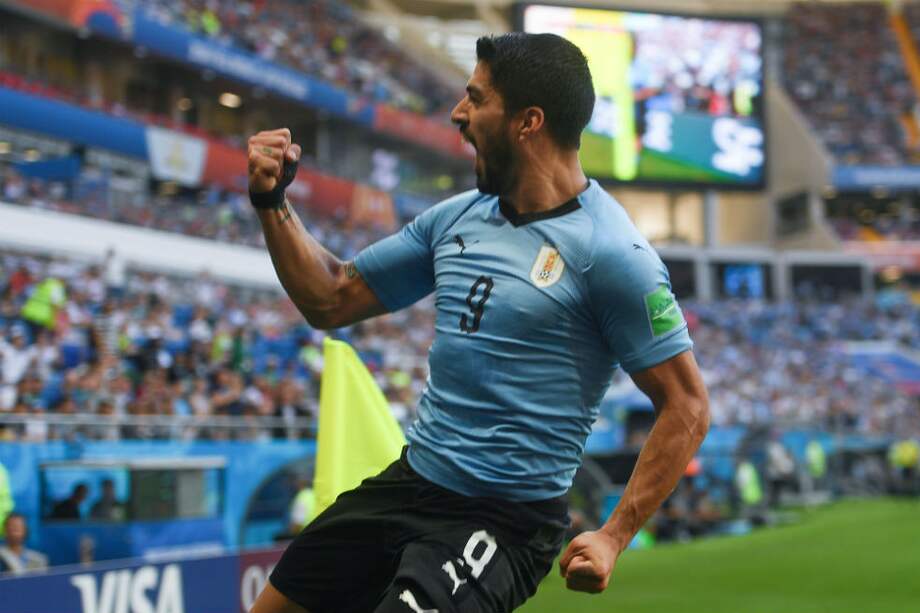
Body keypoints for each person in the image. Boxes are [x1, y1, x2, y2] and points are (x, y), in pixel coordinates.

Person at [248, 33, 710, 613]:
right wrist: (272, 202)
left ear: (528, 122)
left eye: (476, 97)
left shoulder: (612, 254)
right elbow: (331, 298)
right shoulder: (456, 219)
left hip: (505, 521)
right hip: (411, 484)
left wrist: (614, 536)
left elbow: (687, 405)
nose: (457, 112)